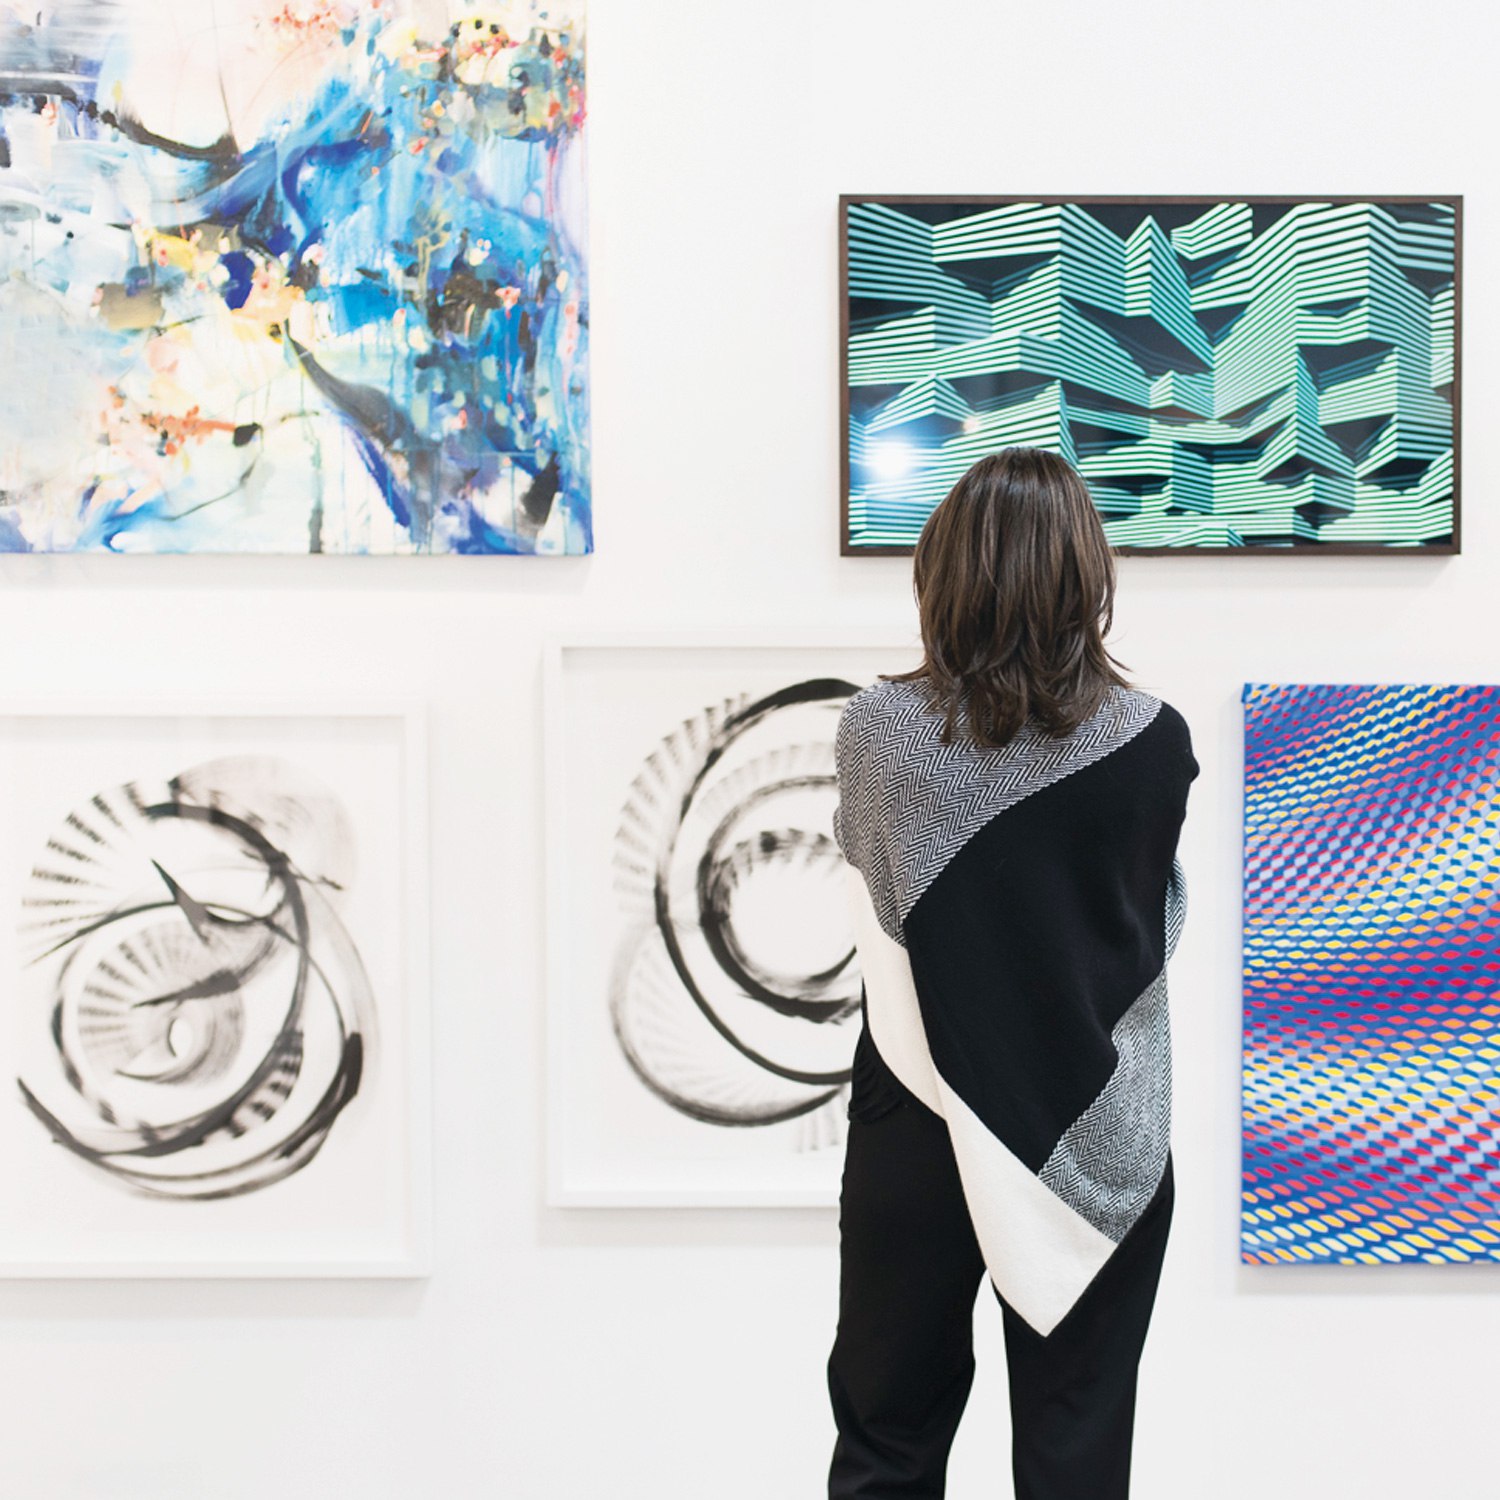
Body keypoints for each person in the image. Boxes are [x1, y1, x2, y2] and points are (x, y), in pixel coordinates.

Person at [826, 447, 1198, 1499]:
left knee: (887, 1449)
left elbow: (880, 898)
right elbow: (1133, 931)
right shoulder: (1155, 743)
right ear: (1085, 574)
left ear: (945, 569)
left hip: (920, 1124)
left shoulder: (879, 734)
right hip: (1097, 1134)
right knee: (1077, 1464)